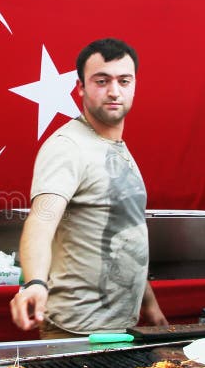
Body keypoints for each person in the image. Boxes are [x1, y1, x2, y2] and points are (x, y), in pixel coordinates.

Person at [9, 38, 168, 337]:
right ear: (81, 87)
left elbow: (126, 233)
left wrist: (150, 304)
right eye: (101, 81)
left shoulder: (115, 147)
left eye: (124, 81)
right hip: (76, 329)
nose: (114, 91)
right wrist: (35, 283)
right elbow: (42, 220)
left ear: (134, 85)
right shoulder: (68, 146)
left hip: (119, 326)